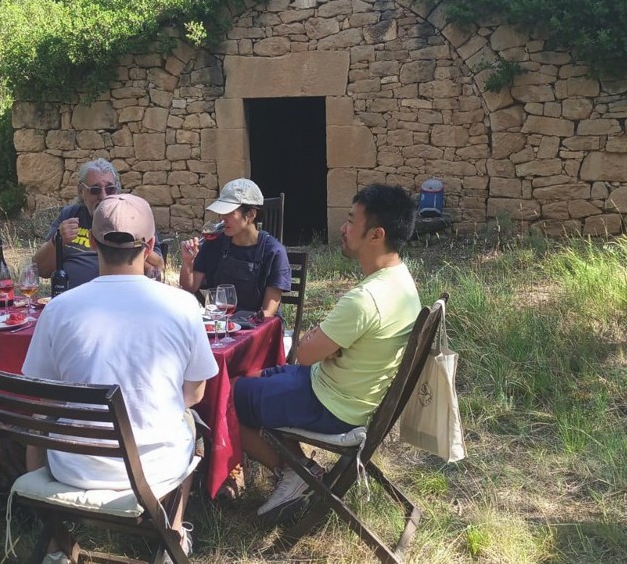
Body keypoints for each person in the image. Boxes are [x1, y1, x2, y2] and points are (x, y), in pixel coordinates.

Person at [22, 194, 217, 563]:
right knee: (190, 421)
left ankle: (53, 545)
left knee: (41, 421)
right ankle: (172, 532)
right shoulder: (182, 305)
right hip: (155, 469)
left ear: (92, 243)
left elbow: (43, 396)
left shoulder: (58, 309)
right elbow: (195, 391)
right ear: (151, 246)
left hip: (72, 466)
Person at [233, 184, 420, 517]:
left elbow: (305, 352)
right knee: (253, 376)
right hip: (338, 390)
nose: (344, 229)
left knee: (225, 399)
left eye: (351, 221)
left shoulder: (366, 300)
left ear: (376, 234)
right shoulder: (401, 281)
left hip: (332, 405)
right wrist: (326, 344)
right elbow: (316, 350)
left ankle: (294, 472)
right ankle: (300, 468)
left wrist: (320, 341)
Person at [34, 159, 165, 288]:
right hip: (75, 301)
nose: (103, 196)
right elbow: (40, 270)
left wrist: (130, 245)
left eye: (110, 189)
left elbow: (157, 268)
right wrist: (57, 240)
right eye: (95, 190)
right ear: (81, 191)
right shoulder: (70, 215)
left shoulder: (133, 216)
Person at [179, 178, 290, 317]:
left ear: (250, 215)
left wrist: (240, 326)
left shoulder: (274, 252)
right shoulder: (214, 243)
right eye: (221, 213)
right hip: (220, 324)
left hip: (258, 328)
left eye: (229, 213)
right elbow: (189, 288)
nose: (222, 219)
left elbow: (268, 312)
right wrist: (188, 262)